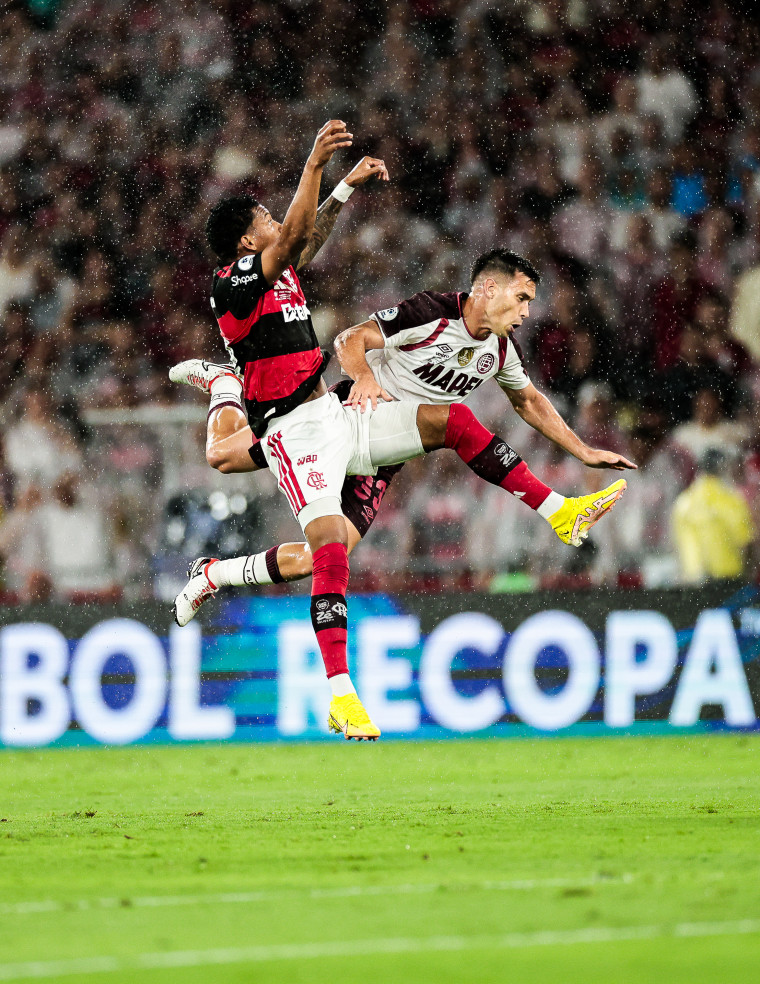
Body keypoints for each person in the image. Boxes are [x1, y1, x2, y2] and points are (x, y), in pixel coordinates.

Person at [171, 249, 635, 602]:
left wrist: (582, 450)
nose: (526, 312)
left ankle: (213, 574)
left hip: (383, 457)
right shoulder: (432, 312)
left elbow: (529, 401)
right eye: (522, 298)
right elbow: (351, 338)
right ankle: (225, 382)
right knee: (222, 457)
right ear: (489, 290)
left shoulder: (500, 351)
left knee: (321, 559)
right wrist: (366, 375)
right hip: (338, 423)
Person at [172, 119, 397, 741]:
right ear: (248, 240)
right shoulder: (232, 283)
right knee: (324, 543)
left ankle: (214, 574)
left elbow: (306, 236)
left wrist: (343, 190)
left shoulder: (277, 266)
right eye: (267, 217)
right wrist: (314, 165)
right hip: (286, 428)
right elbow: (296, 231)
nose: (280, 222)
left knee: (316, 547)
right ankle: (340, 692)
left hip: (317, 412)